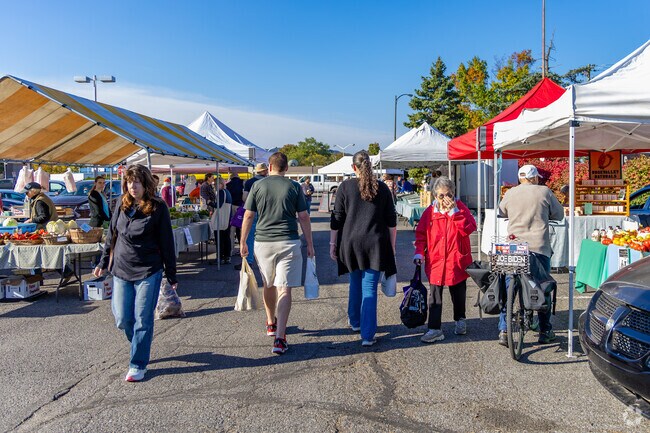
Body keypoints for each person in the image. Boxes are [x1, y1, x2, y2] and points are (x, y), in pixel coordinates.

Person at [94, 164, 177, 382]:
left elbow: (167, 242)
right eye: (129, 182)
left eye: (137, 182)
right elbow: (111, 235)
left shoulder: (158, 207)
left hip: (148, 270)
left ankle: (138, 363)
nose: (132, 186)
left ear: (146, 183)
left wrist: (172, 274)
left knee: (143, 319)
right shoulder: (121, 205)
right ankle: (139, 346)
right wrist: (103, 263)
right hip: (121, 269)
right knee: (122, 318)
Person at [240, 153, 314, 355]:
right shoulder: (294, 187)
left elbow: (248, 215)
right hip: (288, 242)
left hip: (263, 242)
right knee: (285, 289)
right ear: (286, 168)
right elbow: (304, 216)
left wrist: (243, 240)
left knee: (268, 284)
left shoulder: (257, 186)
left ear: (269, 167)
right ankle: (280, 338)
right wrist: (310, 243)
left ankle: (271, 323)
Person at [330, 151, 397, 347]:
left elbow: (337, 218)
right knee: (369, 287)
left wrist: (332, 244)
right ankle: (367, 335)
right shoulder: (382, 188)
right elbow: (391, 221)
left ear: (354, 167)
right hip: (375, 244)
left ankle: (355, 322)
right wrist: (392, 248)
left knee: (355, 282)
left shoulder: (345, 187)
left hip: (350, 243)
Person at [497, 164, 564, 346]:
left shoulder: (510, 193)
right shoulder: (544, 191)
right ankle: (545, 329)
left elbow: (500, 211)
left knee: (509, 286)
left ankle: (504, 329)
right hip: (537, 247)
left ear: (520, 179)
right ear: (535, 178)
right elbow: (559, 215)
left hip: (513, 248)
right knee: (542, 287)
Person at [413, 176, 477, 343]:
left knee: (458, 292)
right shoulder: (430, 212)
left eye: (448, 195)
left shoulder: (460, 209)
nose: (444, 199)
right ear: (435, 196)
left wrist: (455, 213)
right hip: (436, 259)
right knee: (435, 295)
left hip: (456, 258)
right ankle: (434, 329)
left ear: (453, 194)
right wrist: (419, 253)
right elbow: (421, 235)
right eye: (441, 196)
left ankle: (460, 319)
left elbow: (469, 229)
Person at [241, 163, 268, 266]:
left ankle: (249, 260)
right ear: (265, 171)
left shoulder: (249, 182)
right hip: (266, 211)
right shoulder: (268, 182)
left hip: (253, 210)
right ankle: (264, 259)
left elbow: (244, 198)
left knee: (250, 236)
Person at [214, 177, 232, 264]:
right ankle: (227, 256)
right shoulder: (227, 192)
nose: (214, 186)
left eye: (215, 184)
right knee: (226, 238)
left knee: (219, 238)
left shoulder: (221, 192)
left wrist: (210, 202)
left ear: (220, 184)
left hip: (221, 218)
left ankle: (220, 258)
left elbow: (218, 205)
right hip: (227, 218)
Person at [226, 173, 244, 244]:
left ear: (231, 178)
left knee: (232, 227)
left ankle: (231, 248)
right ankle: (241, 246)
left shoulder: (228, 185)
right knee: (240, 227)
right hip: (240, 207)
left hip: (231, 206)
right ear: (238, 177)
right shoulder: (242, 183)